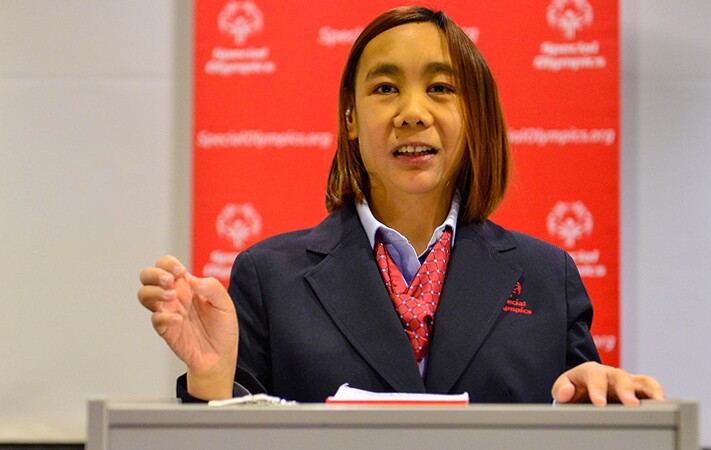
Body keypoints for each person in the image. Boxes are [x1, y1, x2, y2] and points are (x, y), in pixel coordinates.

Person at [138, 6, 664, 406]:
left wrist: (597, 406)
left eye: (440, 87)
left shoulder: (550, 278)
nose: (412, 112)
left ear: (474, 117)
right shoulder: (267, 277)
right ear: (350, 121)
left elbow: (581, 413)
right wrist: (210, 379)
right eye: (386, 88)